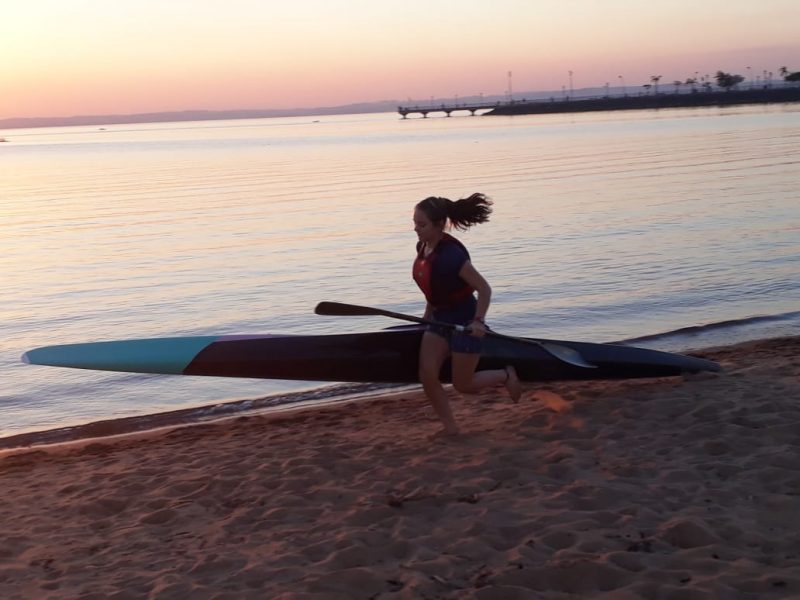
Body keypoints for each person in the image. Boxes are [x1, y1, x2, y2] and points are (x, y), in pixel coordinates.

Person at [412, 193, 521, 436]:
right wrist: (426, 317)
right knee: (427, 374)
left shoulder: (453, 256)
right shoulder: (423, 247)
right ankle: (450, 428)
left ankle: (506, 374)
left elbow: (484, 289)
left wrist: (478, 321)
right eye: (415, 223)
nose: (416, 229)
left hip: (465, 320)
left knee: (463, 385)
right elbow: (434, 289)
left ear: (439, 225)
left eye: (422, 224)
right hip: (439, 320)